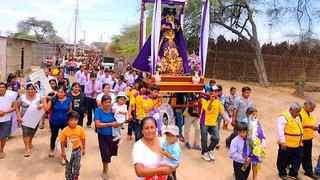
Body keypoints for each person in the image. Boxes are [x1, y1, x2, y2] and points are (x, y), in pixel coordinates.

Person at [43, 86, 73, 165]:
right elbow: (45, 109)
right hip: (54, 122)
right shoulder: (53, 100)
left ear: (65, 92)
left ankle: (63, 155)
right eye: (58, 92)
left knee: (65, 139)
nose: (60, 94)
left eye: (61, 92)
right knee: (54, 136)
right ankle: (52, 149)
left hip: (65, 123)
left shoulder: (69, 100)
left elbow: (70, 111)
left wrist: (69, 121)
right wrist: (44, 99)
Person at [94, 95, 121, 180]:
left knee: (111, 152)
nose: (107, 104)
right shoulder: (98, 111)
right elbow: (97, 124)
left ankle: (106, 165)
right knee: (105, 153)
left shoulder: (113, 111)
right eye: (105, 102)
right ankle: (105, 171)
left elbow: (120, 120)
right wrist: (110, 124)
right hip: (103, 135)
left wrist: (118, 123)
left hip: (113, 135)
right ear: (101, 103)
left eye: (109, 102)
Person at [276, 102, 303, 180]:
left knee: (298, 158)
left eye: (299, 111)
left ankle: (293, 173)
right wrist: (283, 142)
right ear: (291, 109)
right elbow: (280, 130)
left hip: (297, 143)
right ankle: (282, 173)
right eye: (297, 111)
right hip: (287, 143)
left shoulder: (297, 116)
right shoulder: (284, 117)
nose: (298, 113)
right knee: (283, 159)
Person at [200, 85, 227, 161]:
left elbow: (221, 111)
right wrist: (211, 101)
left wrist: (225, 119)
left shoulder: (218, 100)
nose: (216, 93)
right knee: (204, 138)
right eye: (214, 91)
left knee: (216, 138)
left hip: (213, 123)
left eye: (217, 92)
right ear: (210, 92)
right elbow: (208, 109)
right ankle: (204, 152)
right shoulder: (204, 99)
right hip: (204, 122)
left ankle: (209, 150)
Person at [16, 83, 43, 157]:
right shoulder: (22, 97)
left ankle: (30, 141)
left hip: (36, 118)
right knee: (26, 132)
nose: (30, 91)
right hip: (24, 119)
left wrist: (42, 104)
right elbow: (17, 107)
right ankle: (27, 148)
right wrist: (19, 117)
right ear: (26, 90)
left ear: (35, 90)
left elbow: (46, 104)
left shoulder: (39, 97)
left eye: (32, 89)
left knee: (33, 131)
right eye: (29, 89)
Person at [241, 107, 266, 180]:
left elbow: (260, 131)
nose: (255, 116)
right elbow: (242, 133)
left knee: (255, 162)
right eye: (254, 114)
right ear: (249, 114)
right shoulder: (244, 121)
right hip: (247, 145)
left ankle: (254, 177)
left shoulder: (255, 121)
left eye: (256, 114)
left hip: (256, 145)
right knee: (247, 160)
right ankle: (240, 174)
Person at [60, 111, 86, 180]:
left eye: (75, 120)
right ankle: (69, 178)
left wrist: (83, 148)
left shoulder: (80, 129)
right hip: (68, 151)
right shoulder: (65, 130)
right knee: (68, 166)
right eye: (71, 120)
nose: (73, 122)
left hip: (78, 150)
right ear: (68, 121)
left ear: (78, 120)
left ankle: (75, 177)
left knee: (77, 165)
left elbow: (83, 139)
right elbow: (62, 142)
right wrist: (63, 152)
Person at [299, 99, 319, 179]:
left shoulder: (310, 113)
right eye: (312, 108)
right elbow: (298, 125)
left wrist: (314, 127)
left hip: (309, 138)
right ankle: (291, 169)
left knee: (307, 156)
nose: (313, 110)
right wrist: (310, 126)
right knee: (298, 155)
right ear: (306, 105)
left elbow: (311, 123)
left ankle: (308, 171)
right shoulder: (299, 112)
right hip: (300, 138)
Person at [0, 82, 17, 159]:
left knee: (3, 136)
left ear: (5, 89)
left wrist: (6, 112)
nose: (1, 89)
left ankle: (1, 150)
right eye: (0, 87)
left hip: (6, 119)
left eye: (3, 87)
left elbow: (14, 107)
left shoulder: (11, 97)